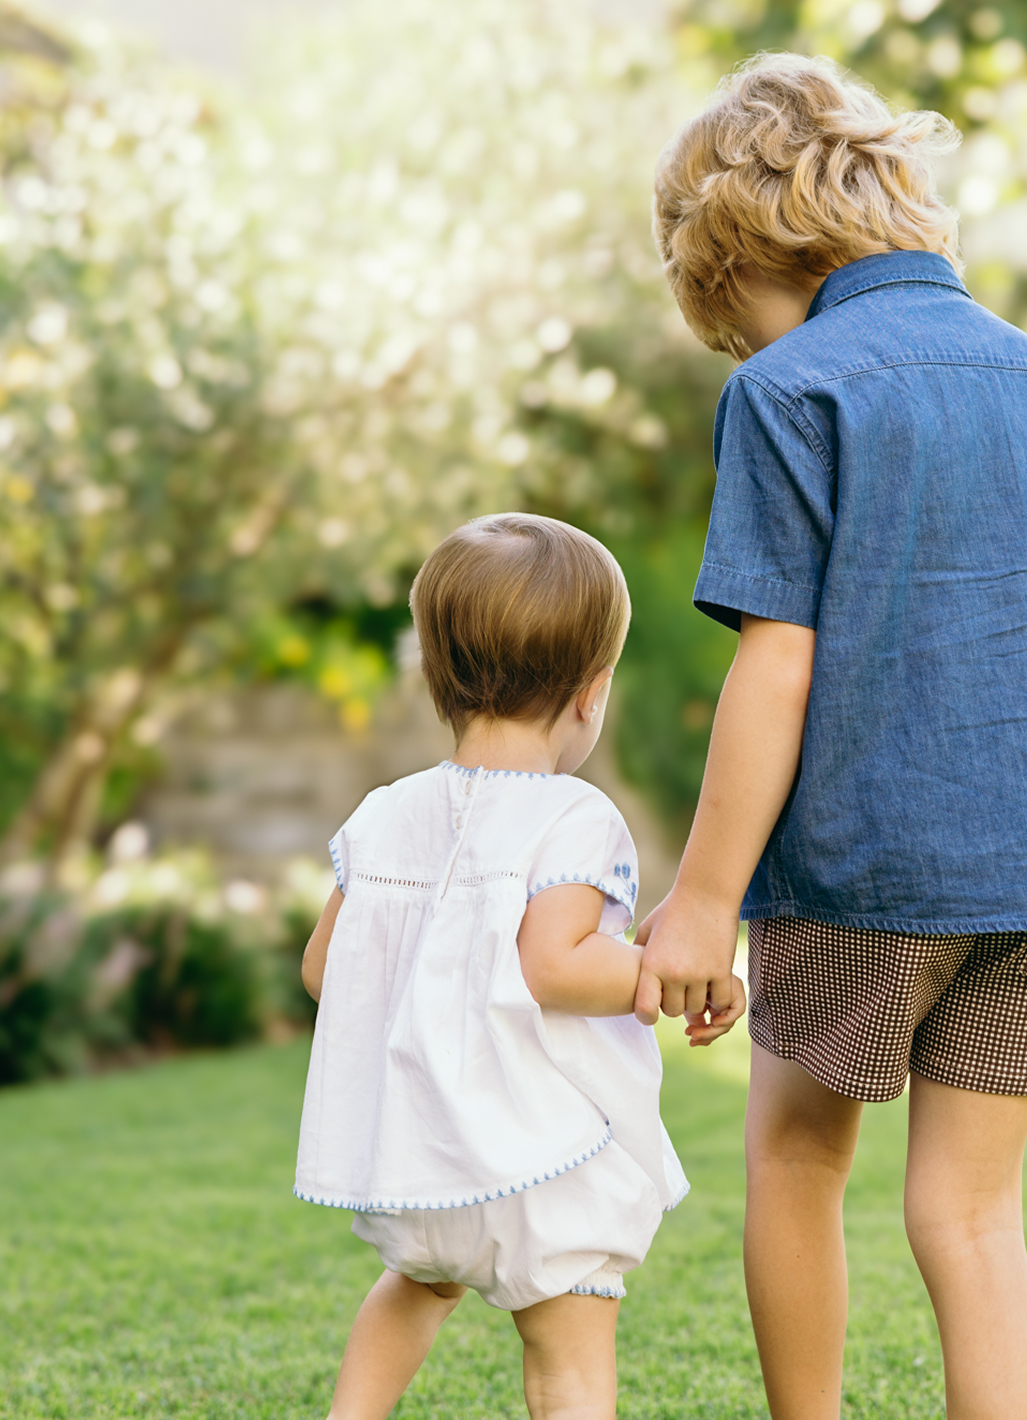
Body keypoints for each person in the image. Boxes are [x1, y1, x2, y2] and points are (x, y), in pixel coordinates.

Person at [641, 53, 1027, 1420]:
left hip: (867, 863)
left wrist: (704, 904)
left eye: (737, 328)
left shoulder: (791, 390)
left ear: (737, 258)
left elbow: (779, 663)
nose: (745, 359)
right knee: (975, 1216)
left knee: (798, 1161)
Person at [294, 513, 745, 1420]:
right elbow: (556, 967)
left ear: (435, 677)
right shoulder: (573, 817)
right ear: (590, 693)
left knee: (414, 1287)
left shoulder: (387, 811)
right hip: (542, 1160)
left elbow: (321, 968)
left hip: (423, 1158)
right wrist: (665, 971)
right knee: (568, 1361)